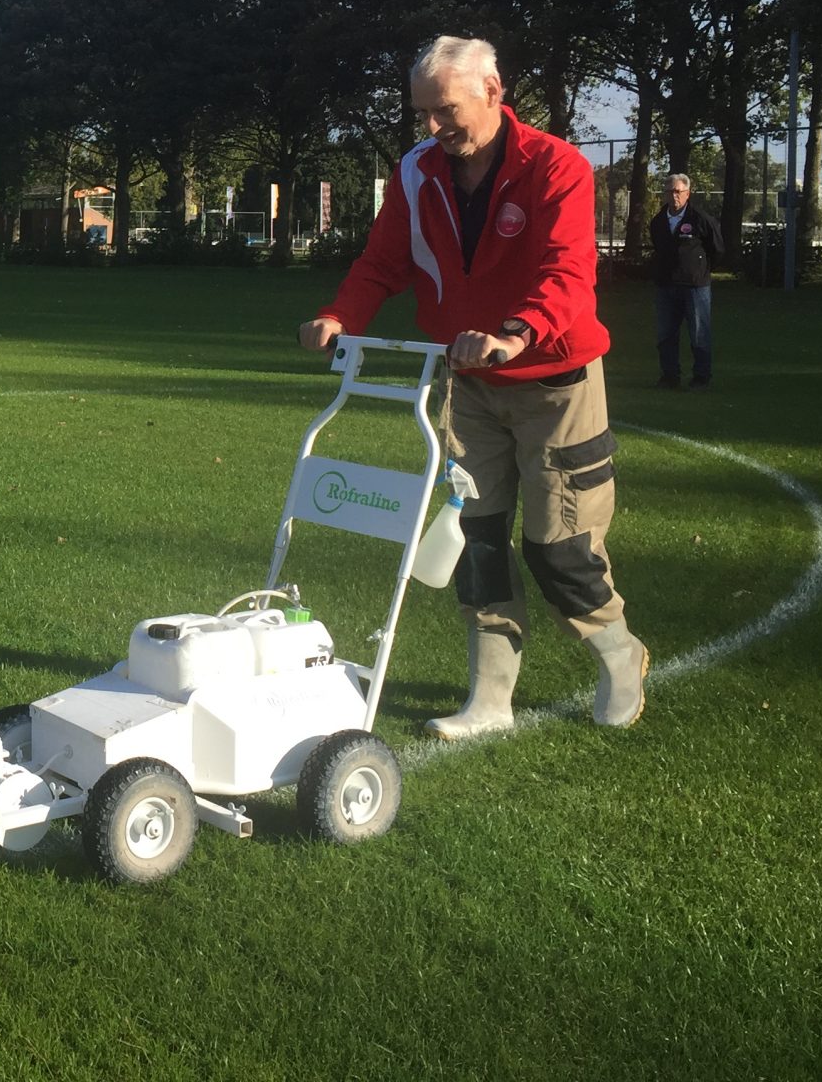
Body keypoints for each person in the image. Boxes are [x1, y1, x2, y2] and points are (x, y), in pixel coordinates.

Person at [297, 37, 648, 740]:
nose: (433, 127)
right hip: (468, 386)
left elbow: (568, 273)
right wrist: (340, 316)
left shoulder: (557, 166)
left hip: (554, 381)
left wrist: (515, 333)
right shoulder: (417, 172)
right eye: (422, 113)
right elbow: (383, 261)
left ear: (493, 91)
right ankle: (490, 700)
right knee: (478, 540)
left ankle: (620, 654)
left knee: (561, 548)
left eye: (445, 110)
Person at [649, 173, 726, 388]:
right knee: (665, 334)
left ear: (687, 193)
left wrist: (701, 269)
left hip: (695, 286)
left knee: (699, 334)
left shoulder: (700, 219)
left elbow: (717, 249)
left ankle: (701, 377)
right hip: (666, 285)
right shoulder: (658, 222)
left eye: (678, 191)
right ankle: (669, 376)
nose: (674, 196)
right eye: (669, 191)